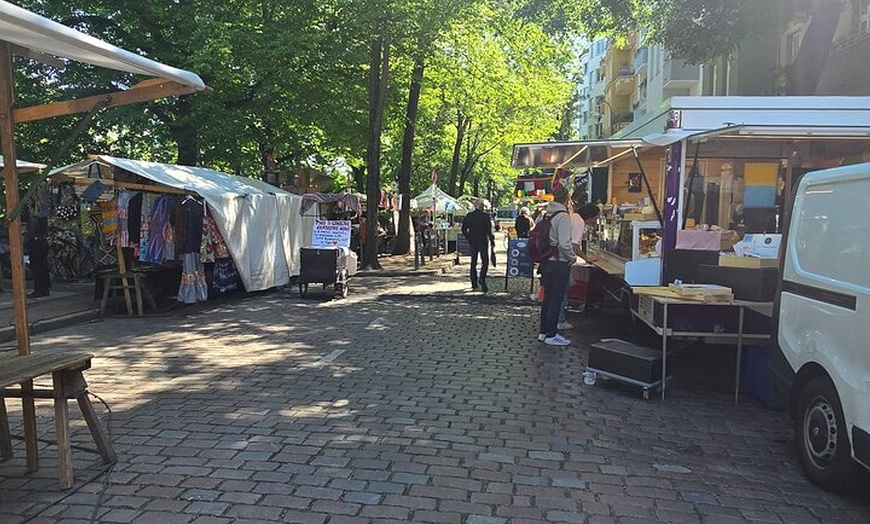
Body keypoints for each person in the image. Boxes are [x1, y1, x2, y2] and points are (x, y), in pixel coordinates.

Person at [537, 188, 575, 346]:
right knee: (556, 298)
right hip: (558, 262)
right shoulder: (563, 217)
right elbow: (564, 243)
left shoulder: (546, 214)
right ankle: (552, 334)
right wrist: (572, 258)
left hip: (546, 261)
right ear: (567, 198)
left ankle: (544, 332)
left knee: (548, 298)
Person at [557, 202, 601, 328]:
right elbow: (574, 246)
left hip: (559, 258)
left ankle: (557, 320)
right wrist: (587, 258)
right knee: (563, 290)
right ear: (591, 216)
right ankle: (560, 321)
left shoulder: (574, 217)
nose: (595, 220)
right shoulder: (579, 221)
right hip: (564, 259)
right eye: (595, 217)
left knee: (559, 290)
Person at [461, 198, 495, 292]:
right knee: (485, 261)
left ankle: (474, 282)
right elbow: (489, 231)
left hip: (473, 241)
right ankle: (482, 278)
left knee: (473, 262)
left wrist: (468, 238)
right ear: (482, 207)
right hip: (483, 241)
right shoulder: (486, 217)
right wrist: (492, 241)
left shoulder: (469, 216)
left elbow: (463, 229)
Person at [26, 211, 51, 298]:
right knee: (43, 266)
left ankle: (39, 289)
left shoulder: (33, 221)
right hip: (42, 244)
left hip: (36, 245)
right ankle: (45, 288)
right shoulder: (43, 220)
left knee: (37, 267)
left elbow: (31, 233)